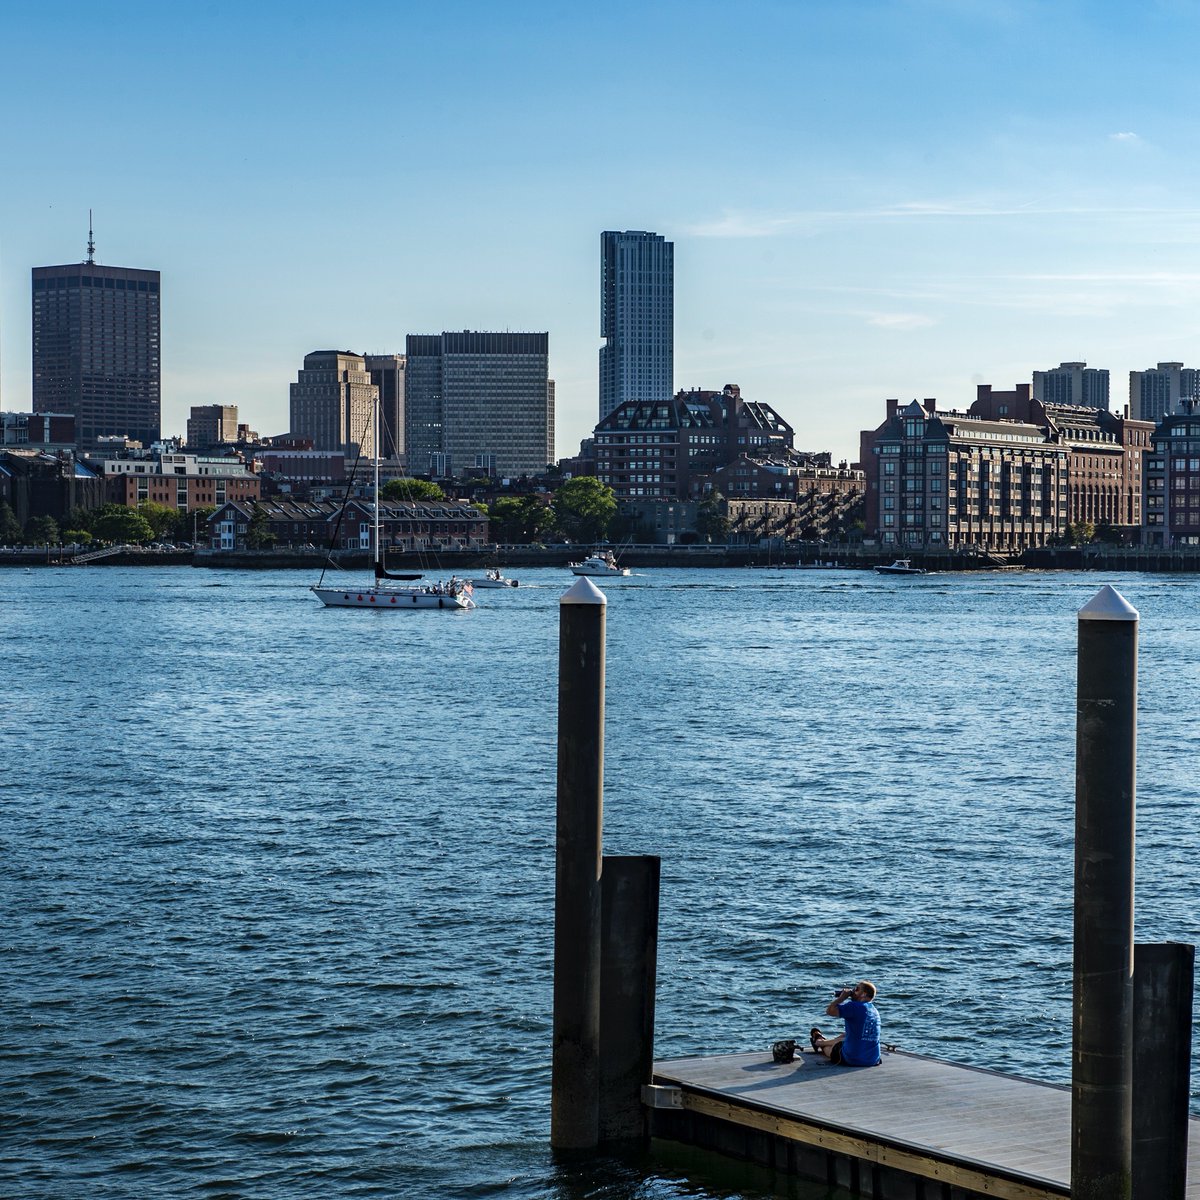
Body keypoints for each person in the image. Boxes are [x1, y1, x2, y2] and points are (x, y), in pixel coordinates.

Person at [810, 980, 881, 1066]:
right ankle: (822, 1041)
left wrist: (841, 998)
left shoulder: (854, 1006)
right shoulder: (874, 1010)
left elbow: (830, 1011)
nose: (854, 991)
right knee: (846, 1035)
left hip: (853, 1058)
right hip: (873, 1059)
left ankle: (819, 1043)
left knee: (832, 1049)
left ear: (863, 994)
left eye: (857, 989)